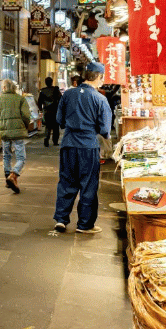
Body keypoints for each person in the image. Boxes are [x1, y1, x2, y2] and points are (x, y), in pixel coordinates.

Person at [54, 61, 112, 234]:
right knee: (88, 185)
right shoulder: (100, 98)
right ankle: (85, 224)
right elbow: (105, 129)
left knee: (66, 182)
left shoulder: (68, 94)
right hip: (88, 145)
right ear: (99, 77)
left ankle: (61, 220)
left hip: (69, 143)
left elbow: (60, 120)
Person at [0, 79, 32, 194]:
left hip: (4, 131)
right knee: (21, 157)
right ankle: (13, 174)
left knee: (6, 156)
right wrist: (24, 126)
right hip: (17, 131)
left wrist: (0, 126)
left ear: (4, 88)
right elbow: (26, 116)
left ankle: (7, 178)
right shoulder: (20, 99)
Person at [37, 77, 61, 147]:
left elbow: (39, 102)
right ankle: (55, 141)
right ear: (52, 82)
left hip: (47, 111)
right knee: (56, 127)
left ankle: (46, 140)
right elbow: (60, 99)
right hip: (55, 110)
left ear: (45, 82)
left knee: (48, 126)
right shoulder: (56, 90)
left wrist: (41, 110)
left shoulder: (42, 91)